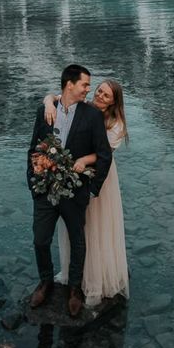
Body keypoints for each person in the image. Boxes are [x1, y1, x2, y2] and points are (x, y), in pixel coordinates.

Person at [27, 64, 112, 317]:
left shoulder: (92, 115)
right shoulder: (45, 110)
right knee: (40, 239)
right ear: (69, 85)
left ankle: (75, 289)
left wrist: (93, 190)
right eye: (85, 84)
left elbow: (104, 155)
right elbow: (33, 149)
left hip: (75, 193)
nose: (89, 89)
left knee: (77, 240)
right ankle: (45, 282)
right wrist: (33, 184)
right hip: (45, 190)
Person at [44, 78, 129, 307]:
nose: (100, 96)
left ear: (113, 103)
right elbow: (54, 97)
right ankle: (74, 275)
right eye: (99, 91)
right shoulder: (83, 108)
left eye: (106, 96)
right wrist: (48, 104)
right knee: (76, 224)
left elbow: (104, 153)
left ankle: (95, 277)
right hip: (75, 171)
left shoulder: (116, 124)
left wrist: (82, 159)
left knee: (95, 225)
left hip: (99, 174)